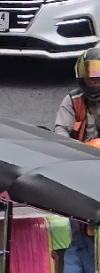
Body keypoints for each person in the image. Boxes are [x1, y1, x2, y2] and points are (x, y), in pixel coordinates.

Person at [54, 49, 100, 273]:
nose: (95, 78)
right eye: (91, 73)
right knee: (76, 233)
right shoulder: (72, 101)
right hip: (78, 170)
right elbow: (59, 134)